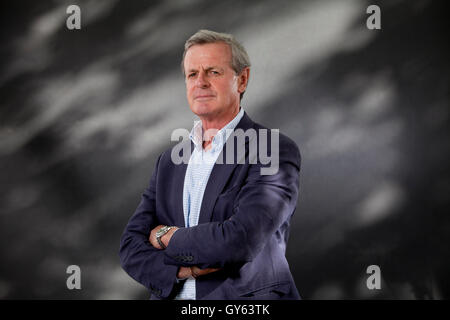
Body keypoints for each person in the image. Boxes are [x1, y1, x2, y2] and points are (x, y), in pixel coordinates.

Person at [119, 29, 301, 300]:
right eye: (192, 74)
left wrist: (167, 235)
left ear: (242, 80)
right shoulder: (169, 162)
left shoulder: (271, 149)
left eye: (213, 72)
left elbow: (240, 239)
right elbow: (130, 248)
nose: (200, 82)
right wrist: (182, 271)